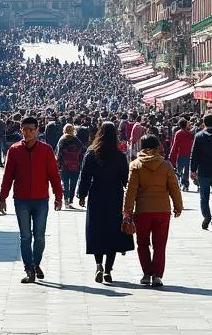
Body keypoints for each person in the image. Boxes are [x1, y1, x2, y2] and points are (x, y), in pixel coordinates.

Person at [0, 115, 63, 283]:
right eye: (25, 130)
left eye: (31, 130)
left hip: (41, 199)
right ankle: (29, 269)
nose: (28, 133)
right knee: (25, 236)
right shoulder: (14, 150)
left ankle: (36, 263)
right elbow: (8, 176)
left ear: (37, 131)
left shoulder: (46, 150)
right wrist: (2, 197)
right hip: (21, 200)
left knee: (39, 236)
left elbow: (54, 175)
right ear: (21, 130)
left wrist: (59, 196)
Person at [123, 134, 182, 288]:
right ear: (157, 147)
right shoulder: (166, 165)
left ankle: (147, 273)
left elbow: (131, 190)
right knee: (160, 244)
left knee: (142, 243)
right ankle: (157, 275)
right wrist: (178, 206)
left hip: (142, 211)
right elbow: (174, 187)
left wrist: (127, 210)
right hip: (163, 210)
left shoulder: (135, 165)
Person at [77, 121, 133, 282]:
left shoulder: (91, 154)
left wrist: (82, 195)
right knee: (113, 232)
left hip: (97, 196)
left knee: (97, 231)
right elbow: (125, 179)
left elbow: (85, 176)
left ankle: (98, 264)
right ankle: (108, 269)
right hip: (115, 196)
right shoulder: (120, 155)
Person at [189, 113, 212, 231]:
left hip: (204, 171)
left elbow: (194, 154)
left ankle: (207, 216)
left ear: (204, 123)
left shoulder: (199, 136)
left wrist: (193, 169)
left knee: (203, 197)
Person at [56, 123, 85, 208]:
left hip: (64, 166)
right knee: (73, 183)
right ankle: (71, 201)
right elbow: (82, 152)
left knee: (65, 183)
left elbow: (59, 154)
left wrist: (59, 165)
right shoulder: (76, 140)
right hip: (75, 166)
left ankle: (66, 200)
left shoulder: (62, 140)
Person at [168, 117, 194, 191]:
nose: (189, 125)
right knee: (184, 171)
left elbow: (174, 145)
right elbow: (175, 144)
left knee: (180, 170)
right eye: (188, 123)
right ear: (185, 124)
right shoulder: (186, 133)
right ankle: (184, 184)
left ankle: (180, 184)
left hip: (182, 154)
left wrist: (172, 154)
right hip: (184, 154)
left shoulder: (180, 133)